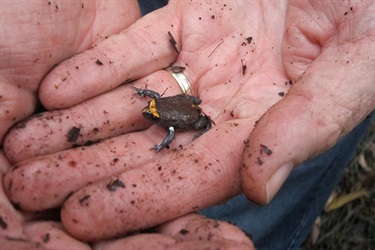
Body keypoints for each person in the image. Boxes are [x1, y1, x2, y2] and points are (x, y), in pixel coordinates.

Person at [0, 0, 373, 249]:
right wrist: (151, 111)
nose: (148, 117)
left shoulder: (171, 119)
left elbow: (177, 124)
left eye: (150, 116)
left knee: (255, 160)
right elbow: (155, 105)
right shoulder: (157, 110)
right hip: (179, 94)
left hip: (195, 105)